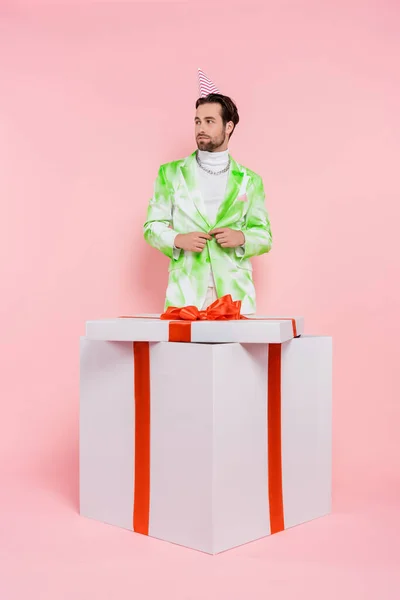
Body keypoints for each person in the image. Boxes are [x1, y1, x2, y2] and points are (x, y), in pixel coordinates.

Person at [143, 69, 272, 315]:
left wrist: (242, 238)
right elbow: (152, 227)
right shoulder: (170, 173)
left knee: (234, 355)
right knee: (182, 355)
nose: (201, 127)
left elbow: (265, 236)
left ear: (229, 126)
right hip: (186, 294)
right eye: (197, 121)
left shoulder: (250, 180)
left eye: (210, 121)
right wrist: (178, 240)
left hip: (234, 296)